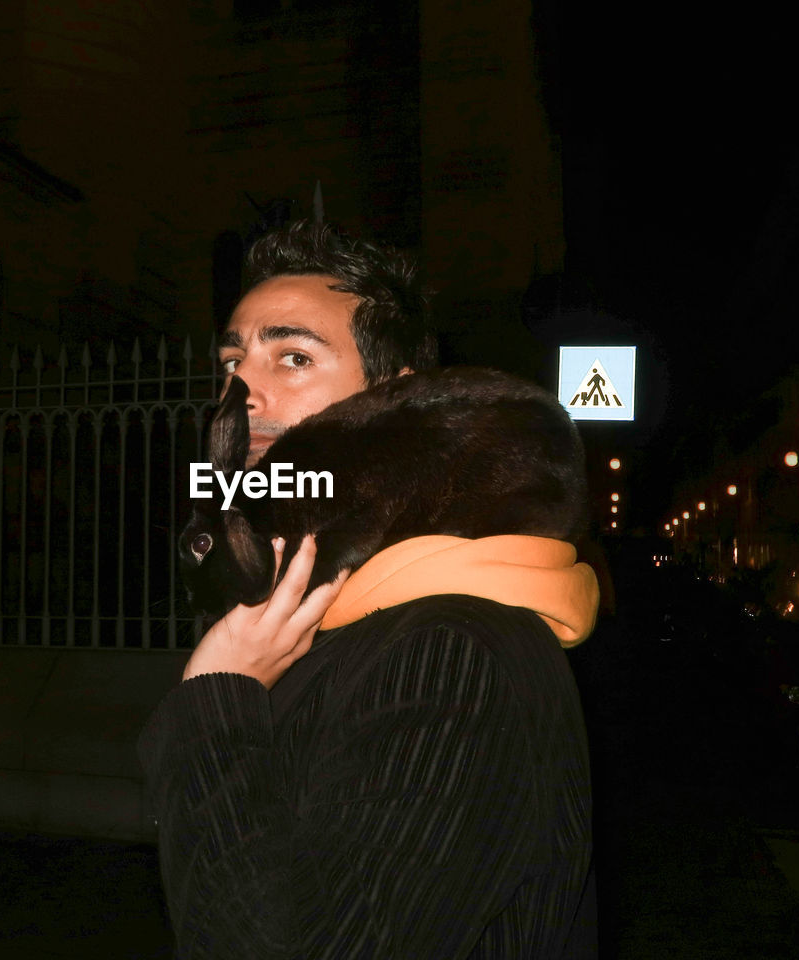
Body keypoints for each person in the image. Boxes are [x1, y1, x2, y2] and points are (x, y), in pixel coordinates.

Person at [137, 221, 599, 958]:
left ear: (396, 403)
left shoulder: (450, 651)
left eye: (292, 357)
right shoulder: (338, 615)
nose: (243, 392)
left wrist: (218, 698)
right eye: (232, 361)